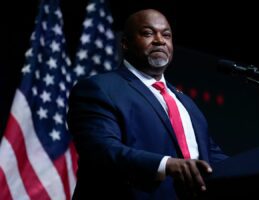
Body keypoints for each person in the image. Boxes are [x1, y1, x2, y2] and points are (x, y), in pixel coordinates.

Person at [67, 9, 228, 199]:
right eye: (148, 33)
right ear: (125, 43)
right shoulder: (99, 89)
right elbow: (102, 150)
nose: (160, 40)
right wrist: (166, 165)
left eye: (166, 35)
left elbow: (212, 158)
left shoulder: (185, 103)